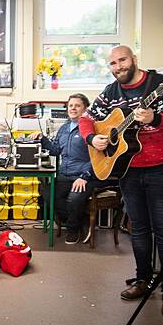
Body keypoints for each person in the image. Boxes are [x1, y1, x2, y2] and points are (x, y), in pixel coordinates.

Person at [78, 45, 163, 320]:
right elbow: (86, 119)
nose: (118, 67)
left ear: (134, 59)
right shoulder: (111, 91)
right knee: (138, 229)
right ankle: (142, 280)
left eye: (122, 60)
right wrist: (93, 139)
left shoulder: (161, 84)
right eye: (112, 63)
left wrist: (155, 117)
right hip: (130, 170)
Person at [35, 93, 99, 245]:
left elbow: (99, 156)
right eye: (70, 105)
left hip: (84, 176)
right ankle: (79, 220)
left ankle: (72, 229)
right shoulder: (64, 128)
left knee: (74, 198)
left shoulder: (92, 128)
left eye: (77, 105)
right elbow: (56, 150)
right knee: (47, 192)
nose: (73, 108)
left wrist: (84, 176)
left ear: (85, 109)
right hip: (65, 174)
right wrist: (43, 139)